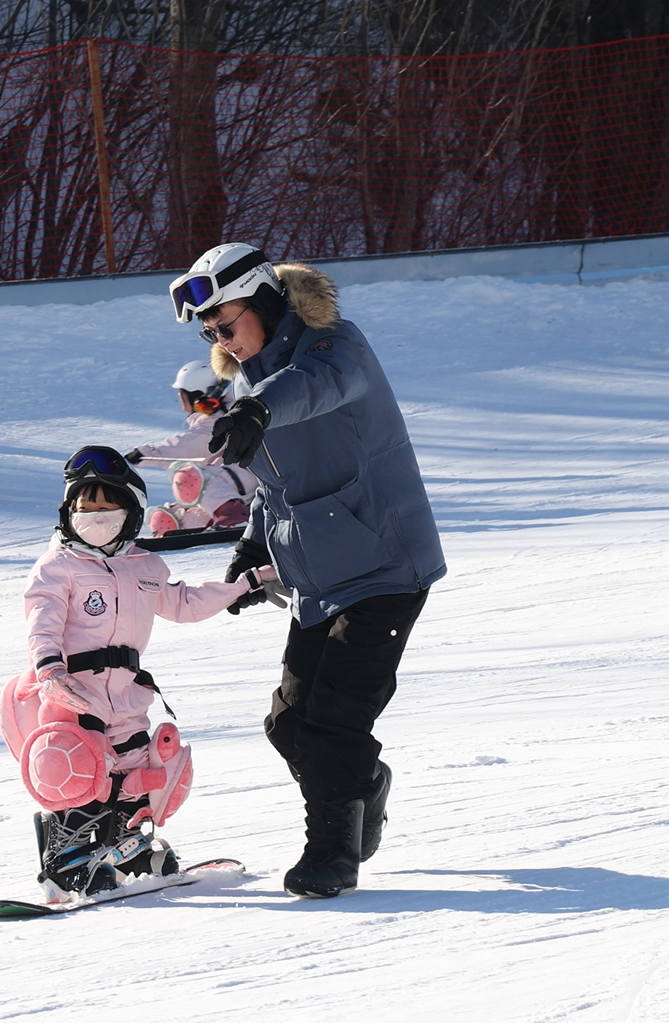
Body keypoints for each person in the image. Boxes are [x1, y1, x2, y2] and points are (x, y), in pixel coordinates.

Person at [169, 243, 445, 898]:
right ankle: (364, 785)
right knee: (289, 722)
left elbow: (311, 389)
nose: (221, 340)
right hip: (318, 579)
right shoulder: (247, 389)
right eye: (210, 333)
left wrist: (256, 408)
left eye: (227, 323)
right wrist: (254, 548)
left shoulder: (334, 346)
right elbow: (275, 483)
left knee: (331, 722)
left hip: (384, 565)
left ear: (264, 301)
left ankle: (332, 852)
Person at [0, 446, 274, 897]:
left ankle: (124, 843)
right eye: (85, 507)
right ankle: (66, 857)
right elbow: (41, 620)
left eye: (107, 506)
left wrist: (245, 584)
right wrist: (49, 669)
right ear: (68, 512)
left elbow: (183, 603)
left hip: (126, 693)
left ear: (131, 513)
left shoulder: (144, 566)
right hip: (72, 692)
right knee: (80, 765)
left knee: (137, 764)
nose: (96, 516)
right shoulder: (58, 567)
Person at [126, 360, 258, 536]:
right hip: (232, 487)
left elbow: (183, 448)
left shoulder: (220, 421)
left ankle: (233, 516)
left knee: (187, 476)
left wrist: (142, 455)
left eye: (182, 393)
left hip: (244, 477)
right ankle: (186, 528)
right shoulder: (219, 415)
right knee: (170, 516)